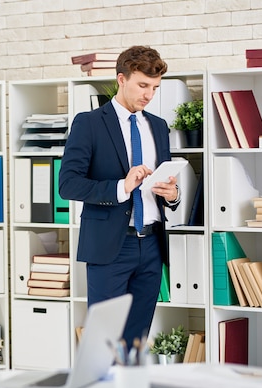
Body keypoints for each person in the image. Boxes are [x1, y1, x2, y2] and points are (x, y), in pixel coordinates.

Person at [58, 45, 180, 349]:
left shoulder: (159, 127)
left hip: (151, 244)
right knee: (104, 341)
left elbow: (164, 186)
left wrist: (173, 195)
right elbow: (68, 185)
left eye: (154, 87)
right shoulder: (89, 124)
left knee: (136, 341)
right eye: (142, 85)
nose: (149, 94)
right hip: (111, 246)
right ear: (121, 79)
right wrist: (121, 187)